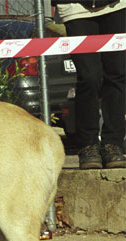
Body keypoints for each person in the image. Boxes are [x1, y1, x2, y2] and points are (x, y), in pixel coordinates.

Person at [52, 0, 126, 169]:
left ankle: (113, 144)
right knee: (89, 76)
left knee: (117, 74)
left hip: (116, 6)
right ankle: (88, 146)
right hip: (75, 8)